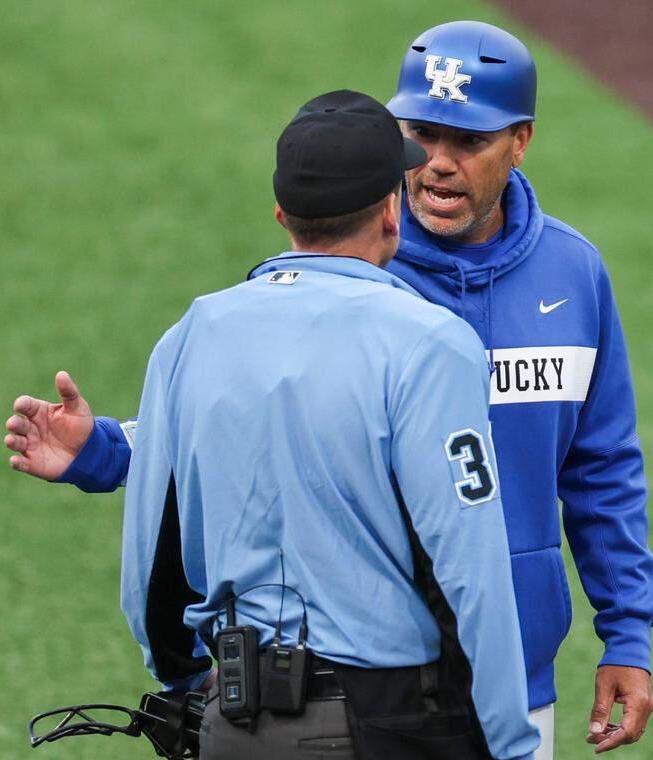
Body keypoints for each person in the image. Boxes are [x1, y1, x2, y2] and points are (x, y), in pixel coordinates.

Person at [6, 21, 653, 758]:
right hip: (393, 689)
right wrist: (101, 450)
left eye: (468, 143)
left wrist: (627, 634)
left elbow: (602, 467)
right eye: (422, 135)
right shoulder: (351, 265)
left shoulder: (574, 275)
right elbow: (259, 418)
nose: (439, 165)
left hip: (515, 679)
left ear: (521, 142)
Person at [120, 89, 538, 759]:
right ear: (389, 210)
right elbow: (469, 566)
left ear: (283, 214)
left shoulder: (192, 335)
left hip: (232, 722)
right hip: (385, 723)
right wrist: (509, 745)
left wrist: (185, 680)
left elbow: (150, 553)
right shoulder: (430, 342)